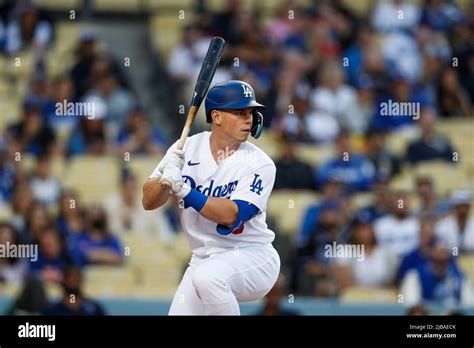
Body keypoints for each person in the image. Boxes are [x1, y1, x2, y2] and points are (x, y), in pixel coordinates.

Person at [142, 80, 280, 315]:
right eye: (239, 112)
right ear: (216, 117)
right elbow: (148, 201)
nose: (249, 119)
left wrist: (184, 190)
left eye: (250, 112)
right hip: (202, 258)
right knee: (203, 278)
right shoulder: (186, 147)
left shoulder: (260, 163)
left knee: (208, 277)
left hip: (251, 255)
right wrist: (165, 180)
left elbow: (231, 216)